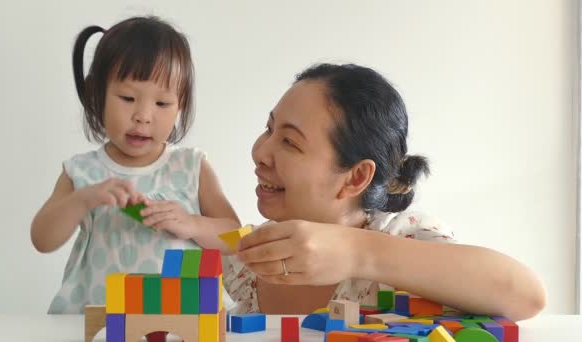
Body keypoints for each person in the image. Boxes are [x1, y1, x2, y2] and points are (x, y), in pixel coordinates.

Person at [225, 63, 546, 321]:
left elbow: (526, 296)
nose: (260, 153)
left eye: (289, 142)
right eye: (269, 129)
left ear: (356, 177)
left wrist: (355, 252)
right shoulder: (248, 257)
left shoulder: (403, 237)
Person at [30, 16, 240, 314]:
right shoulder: (81, 171)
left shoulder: (190, 166)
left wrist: (191, 224)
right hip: (102, 318)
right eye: (128, 97)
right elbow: (42, 238)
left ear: (180, 105)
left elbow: (233, 236)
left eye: (162, 103)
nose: (143, 115)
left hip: (180, 320)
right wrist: (84, 199)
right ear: (96, 94)